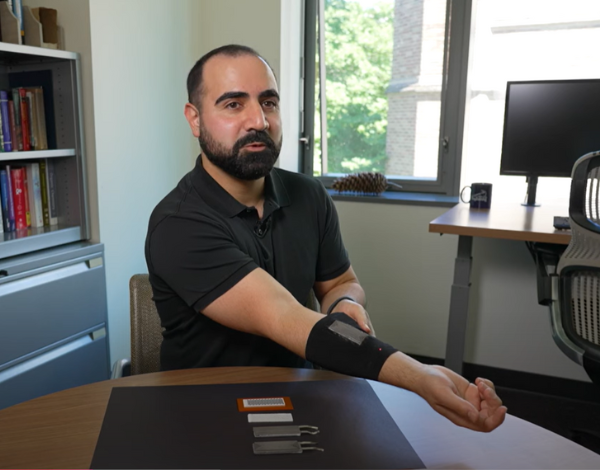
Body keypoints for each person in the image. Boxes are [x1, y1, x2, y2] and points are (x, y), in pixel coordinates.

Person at [145, 44, 507, 433]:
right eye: (233, 105)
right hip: (206, 414)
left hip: (300, 399)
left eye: (268, 102)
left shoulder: (308, 195)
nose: (258, 121)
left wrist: (345, 303)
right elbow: (286, 317)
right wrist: (420, 376)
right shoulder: (179, 224)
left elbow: (339, 282)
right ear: (195, 119)